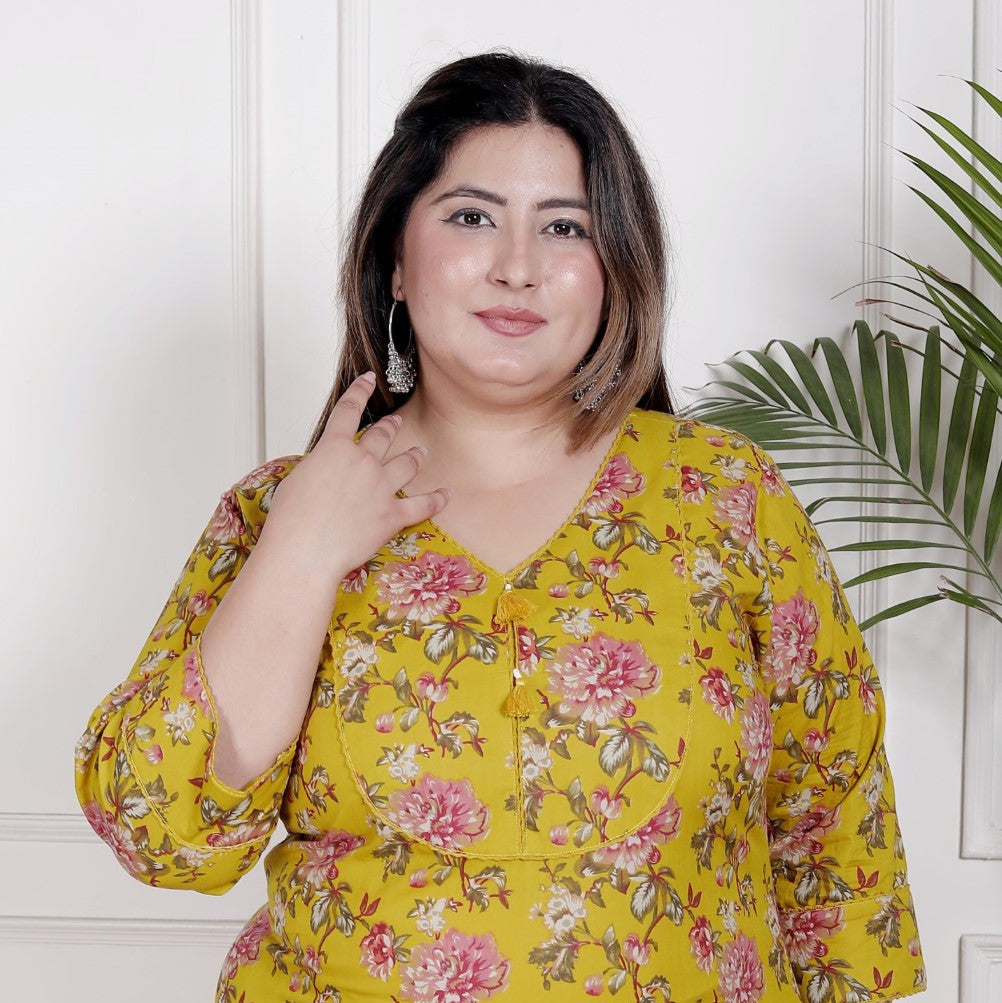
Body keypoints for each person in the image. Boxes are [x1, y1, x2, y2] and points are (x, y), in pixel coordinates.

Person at [75, 50, 926, 1003]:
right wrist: (302, 552)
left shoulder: (726, 496)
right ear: (396, 260)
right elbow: (164, 836)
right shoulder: (278, 509)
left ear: (614, 268)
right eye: (472, 216)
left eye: (565, 227)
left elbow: (836, 829)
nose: (518, 267)